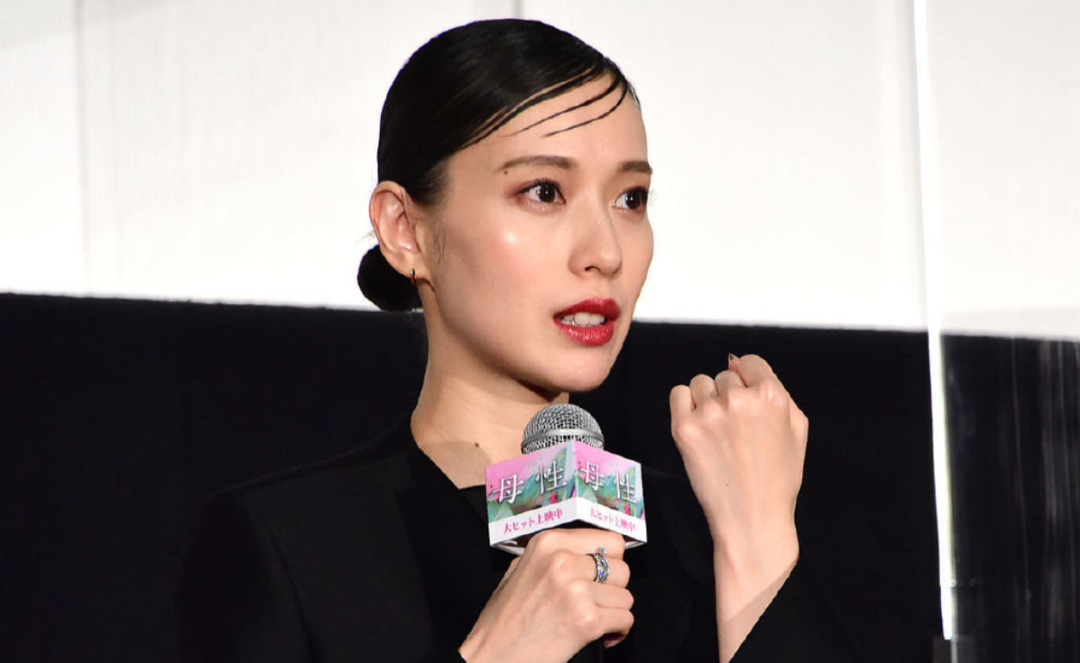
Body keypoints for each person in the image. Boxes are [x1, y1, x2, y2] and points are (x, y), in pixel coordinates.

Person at [176, 19, 861, 663]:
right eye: (543, 192)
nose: (605, 252)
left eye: (630, 199)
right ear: (405, 230)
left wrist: (756, 538)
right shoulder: (291, 545)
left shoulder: (708, 527)